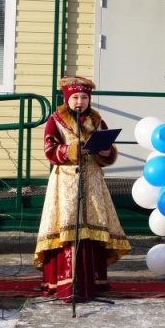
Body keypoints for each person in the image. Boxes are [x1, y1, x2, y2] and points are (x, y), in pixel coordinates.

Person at [34, 76, 131, 301]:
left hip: (93, 181)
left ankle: (92, 282)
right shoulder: (56, 120)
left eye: (84, 97)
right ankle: (67, 284)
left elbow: (107, 149)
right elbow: (49, 150)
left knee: (91, 228)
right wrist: (71, 150)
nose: (80, 102)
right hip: (66, 183)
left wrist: (107, 152)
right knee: (68, 228)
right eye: (75, 97)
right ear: (67, 99)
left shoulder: (97, 120)